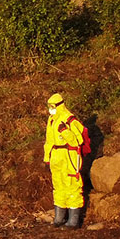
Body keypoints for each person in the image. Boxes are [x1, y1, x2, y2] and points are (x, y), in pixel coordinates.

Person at [43, 92, 87, 228]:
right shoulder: (51, 120)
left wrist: (65, 132)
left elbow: (77, 140)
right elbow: (49, 141)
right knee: (58, 186)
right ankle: (59, 218)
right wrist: (47, 158)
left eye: (53, 106)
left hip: (69, 156)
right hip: (56, 157)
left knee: (72, 185)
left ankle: (73, 221)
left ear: (59, 105)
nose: (51, 109)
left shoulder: (69, 120)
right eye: (49, 106)